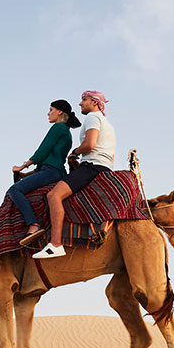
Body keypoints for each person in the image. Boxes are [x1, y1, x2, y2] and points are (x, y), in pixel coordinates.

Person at [33, 90, 118, 259]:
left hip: (92, 166)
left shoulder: (93, 117)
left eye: (84, 100)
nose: (80, 104)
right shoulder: (108, 124)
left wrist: (75, 152)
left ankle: (55, 244)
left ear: (94, 103)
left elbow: (90, 144)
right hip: (104, 166)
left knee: (54, 195)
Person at [8, 100, 83, 246]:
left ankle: (33, 224)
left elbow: (42, 151)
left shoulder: (59, 127)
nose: (48, 113)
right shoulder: (65, 131)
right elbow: (47, 161)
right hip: (52, 171)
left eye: (51, 109)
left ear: (60, 112)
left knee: (14, 190)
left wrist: (22, 166)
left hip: (51, 172)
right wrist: (25, 176)